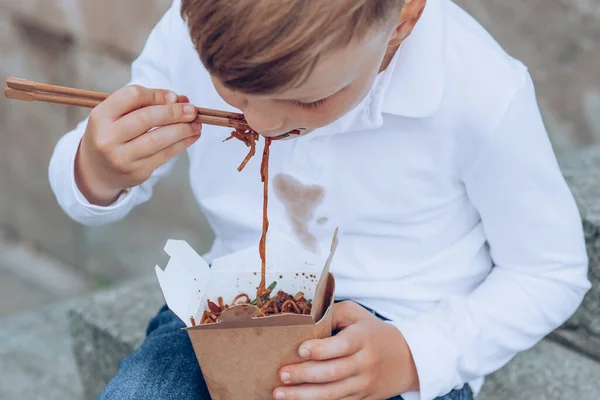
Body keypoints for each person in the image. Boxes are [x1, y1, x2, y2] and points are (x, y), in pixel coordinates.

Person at [49, 0, 591, 399]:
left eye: (307, 99)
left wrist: (414, 355)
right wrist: (96, 168)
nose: (260, 124)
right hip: (227, 306)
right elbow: (92, 183)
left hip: (398, 327)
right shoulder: (192, 33)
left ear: (403, 18)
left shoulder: (479, 91)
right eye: (230, 89)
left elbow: (550, 272)